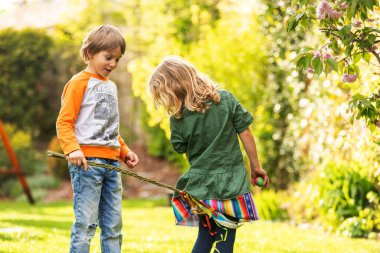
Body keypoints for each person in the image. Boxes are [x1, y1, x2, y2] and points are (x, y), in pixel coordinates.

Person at [148, 56, 269, 253]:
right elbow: (245, 132)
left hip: (202, 188)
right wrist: (256, 167)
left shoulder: (177, 119)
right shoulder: (226, 99)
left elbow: (179, 147)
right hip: (231, 183)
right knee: (225, 242)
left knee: (205, 238)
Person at [56, 25, 139, 253]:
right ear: (90, 52)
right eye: (108, 57)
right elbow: (64, 122)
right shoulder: (78, 83)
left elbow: (109, 128)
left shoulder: (111, 87)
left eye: (117, 59)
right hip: (87, 164)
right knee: (86, 224)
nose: (113, 64)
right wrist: (72, 149)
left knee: (113, 225)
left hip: (112, 165)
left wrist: (124, 151)